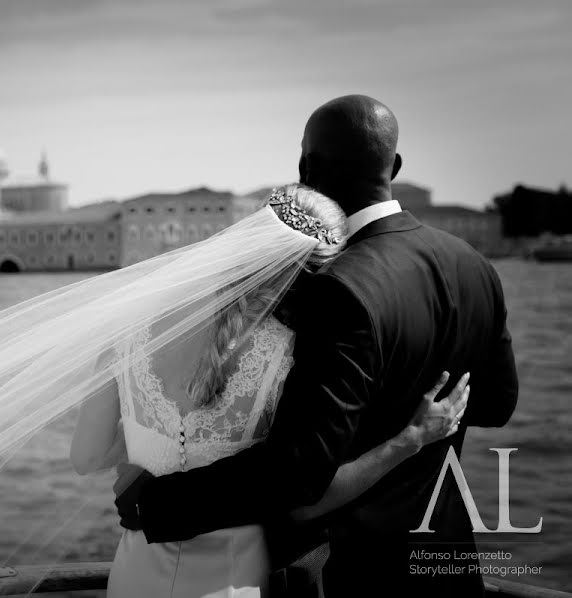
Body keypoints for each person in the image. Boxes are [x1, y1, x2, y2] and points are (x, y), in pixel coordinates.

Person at [114, 95, 519, 598]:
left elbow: (295, 474)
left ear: (306, 168)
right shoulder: (474, 265)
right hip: (445, 555)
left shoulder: (335, 287)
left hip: (352, 566)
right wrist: (420, 424)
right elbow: (498, 405)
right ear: (393, 166)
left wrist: (155, 506)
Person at [71, 184, 472, 598]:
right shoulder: (289, 354)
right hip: (231, 581)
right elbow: (302, 492)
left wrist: (152, 446)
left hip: (133, 577)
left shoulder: (133, 328)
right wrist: (413, 439)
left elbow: (86, 457)